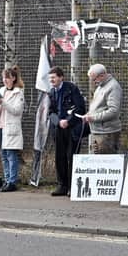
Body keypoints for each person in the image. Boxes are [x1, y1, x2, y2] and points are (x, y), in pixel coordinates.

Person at [47, 66, 86, 196]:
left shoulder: (71, 89)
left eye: (53, 77)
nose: (51, 80)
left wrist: (68, 121)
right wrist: (58, 121)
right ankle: (62, 185)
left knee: (72, 156)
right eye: (50, 78)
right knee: (59, 157)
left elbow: (80, 108)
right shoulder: (51, 92)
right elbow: (51, 112)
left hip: (72, 129)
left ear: (61, 77)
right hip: (58, 129)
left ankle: (72, 186)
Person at [0, 66, 24, 192]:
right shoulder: (2, 90)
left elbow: (16, 111)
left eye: (7, 78)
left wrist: (2, 102)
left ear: (13, 78)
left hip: (10, 129)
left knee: (11, 155)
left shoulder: (18, 92)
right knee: (3, 156)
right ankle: (6, 179)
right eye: (3, 78)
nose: (4, 80)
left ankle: (12, 182)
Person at [83, 64, 123, 154]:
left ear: (102, 75)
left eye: (94, 79)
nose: (93, 82)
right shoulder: (101, 86)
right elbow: (98, 108)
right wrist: (89, 115)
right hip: (97, 131)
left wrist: (93, 118)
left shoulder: (113, 87)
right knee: (97, 163)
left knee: (105, 163)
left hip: (107, 133)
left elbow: (113, 111)